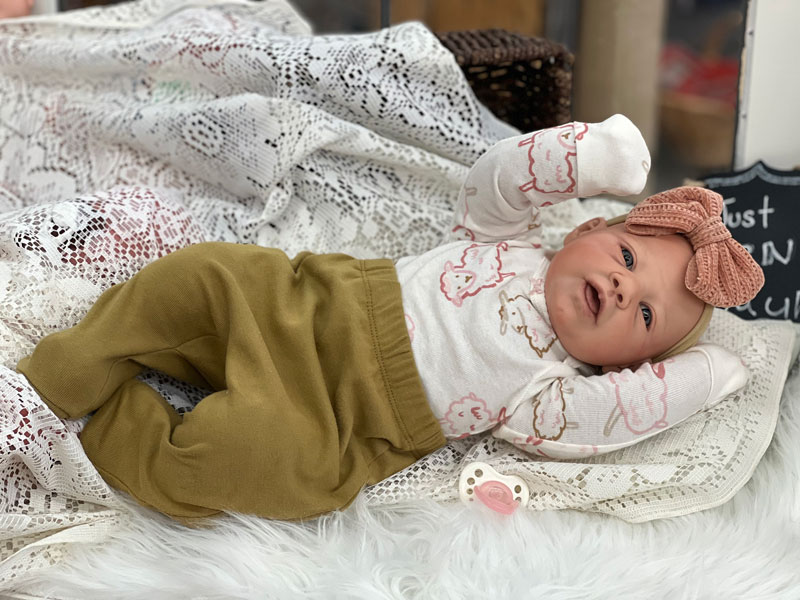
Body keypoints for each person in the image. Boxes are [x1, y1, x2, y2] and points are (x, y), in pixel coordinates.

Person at [15, 114, 764, 522]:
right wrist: (593, 157)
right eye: (627, 258)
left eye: (645, 315)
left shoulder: (550, 395)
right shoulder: (504, 239)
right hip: (301, 308)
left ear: (620, 364)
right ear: (586, 230)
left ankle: (118, 433)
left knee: (259, 469)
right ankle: (74, 367)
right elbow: (504, 174)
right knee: (202, 275)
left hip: (337, 421)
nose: (624, 289)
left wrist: (704, 375)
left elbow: (619, 414)